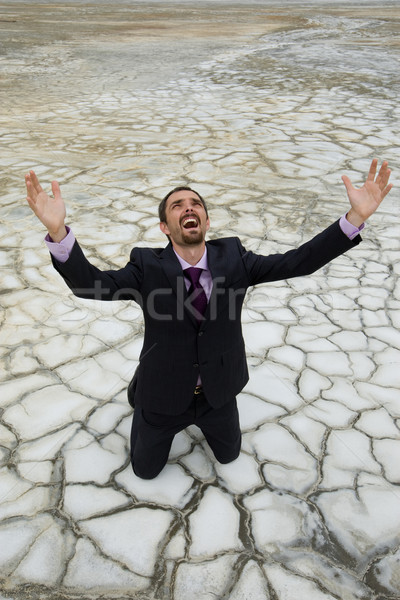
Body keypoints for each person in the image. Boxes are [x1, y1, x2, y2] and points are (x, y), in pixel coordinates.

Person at [25, 159, 392, 479]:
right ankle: (139, 391)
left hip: (218, 394)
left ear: (205, 220)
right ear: (165, 228)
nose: (189, 207)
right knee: (145, 471)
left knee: (230, 456)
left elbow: (299, 261)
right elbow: (92, 286)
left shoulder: (234, 258)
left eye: (196, 203)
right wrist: (58, 232)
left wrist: (355, 218)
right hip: (163, 397)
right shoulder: (147, 266)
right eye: (177, 205)